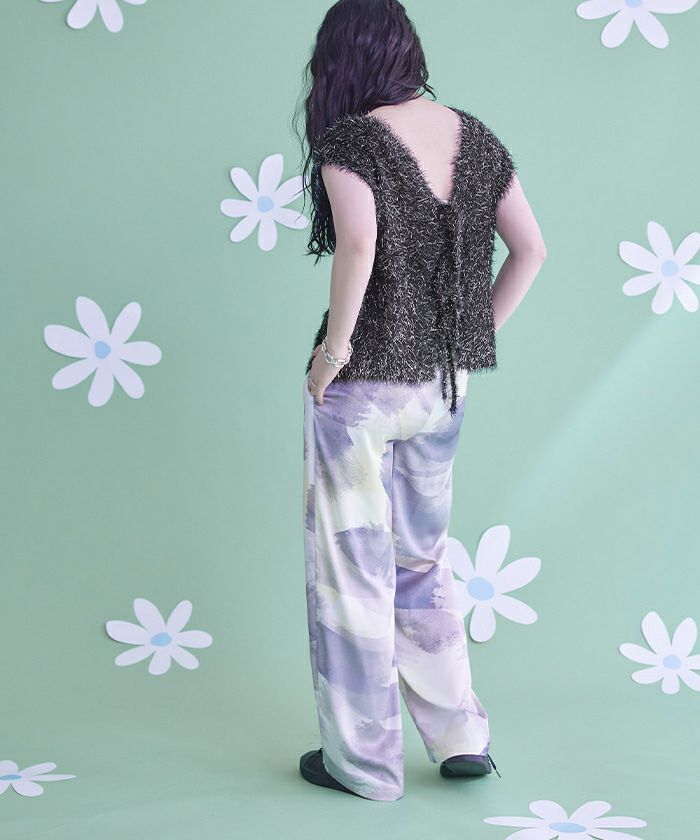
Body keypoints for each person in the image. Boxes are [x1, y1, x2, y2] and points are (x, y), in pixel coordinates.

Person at [297, 0, 546, 802]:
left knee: (351, 571)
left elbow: (359, 244)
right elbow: (532, 250)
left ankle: (364, 763)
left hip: (362, 390)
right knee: (424, 560)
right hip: (443, 386)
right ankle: (461, 736)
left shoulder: (350, 142)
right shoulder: (475, 138)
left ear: (341, 61)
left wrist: (333, 354)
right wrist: (466, 338)